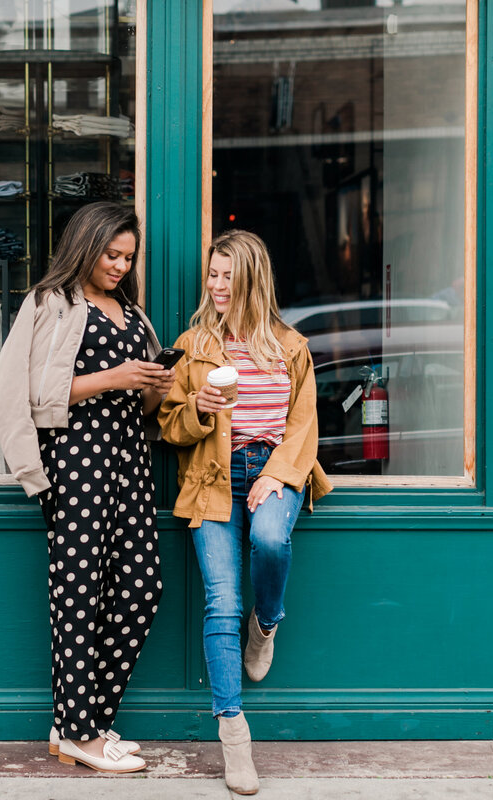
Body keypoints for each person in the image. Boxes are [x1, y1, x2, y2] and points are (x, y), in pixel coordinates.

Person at [0, 201, 175, 774]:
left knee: (143, 588)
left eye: (128, 257)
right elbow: (15, 393)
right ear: (85, 245)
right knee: (79, 594)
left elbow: (142, 405)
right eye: (110, 254)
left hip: (130, 464)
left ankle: (82, 720)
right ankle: (80, 733)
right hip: (74, 463)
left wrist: (156, 384)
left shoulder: (133, 315)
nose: (120, 265)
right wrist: (113, 378)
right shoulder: (49, 303)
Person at [158, 230, 332, 795]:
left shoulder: (290, 346)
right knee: (222, 600)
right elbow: (169, 426)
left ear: (253, 278)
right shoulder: (194, 344)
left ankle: (268, 624)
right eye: (212, 274)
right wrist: (198, 409)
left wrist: (278, 474)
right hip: (213, 479)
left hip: (272, 470)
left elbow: (303, 426)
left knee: (272, 541)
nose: (216, 284)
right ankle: (234, 735)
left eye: (227, 275)